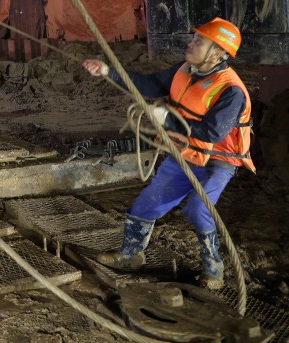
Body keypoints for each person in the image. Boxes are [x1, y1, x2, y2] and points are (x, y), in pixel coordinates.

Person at [82, 17, 254, 290]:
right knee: (148, 202)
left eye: (199, 41)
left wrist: (166, 119)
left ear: (217, 53)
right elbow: (148, 85)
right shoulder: (184, 70)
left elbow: (212, 133)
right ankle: (130, 254)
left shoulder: (230, 90)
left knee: (198, 209)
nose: (191, 43)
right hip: (185, 152)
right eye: (194, 38)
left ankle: (213, 268)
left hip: (217, 161)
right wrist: (108, 72)